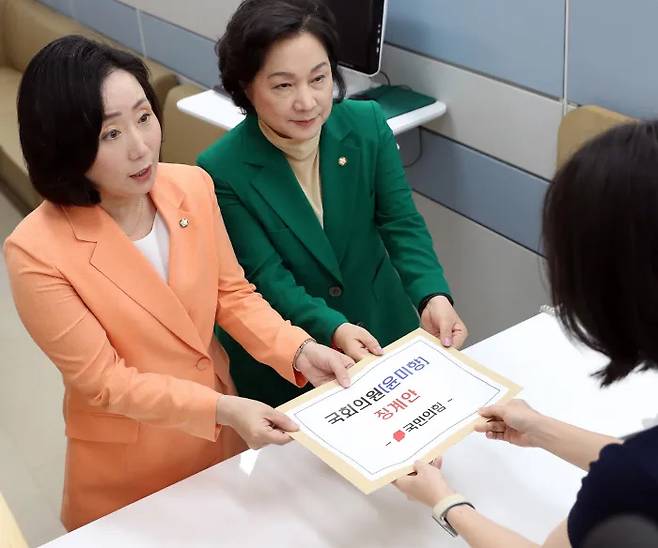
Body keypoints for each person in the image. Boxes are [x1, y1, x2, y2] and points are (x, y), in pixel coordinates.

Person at [4, 35, 354, 531]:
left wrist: (298, 350)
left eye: (144, 116)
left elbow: (232, 295)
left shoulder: (190, 185)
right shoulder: (35, 251)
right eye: (110, 134)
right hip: (129, 468)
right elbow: (105, 382)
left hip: (218, 444)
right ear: (63, 142)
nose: (141, 145)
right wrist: (222, 407)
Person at [395, 120, 658, 547]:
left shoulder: (625, 487)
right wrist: (541, 429)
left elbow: (636, 479)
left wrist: (445, 503)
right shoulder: (635, 472)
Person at [198, 0, 468, 407]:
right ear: (246, 87)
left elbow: (401, 223)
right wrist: (333, 328)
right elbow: (268, 279)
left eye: (319, 78)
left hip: (381, 329)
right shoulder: (221, 169)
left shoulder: (367, 125)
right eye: (283, 85)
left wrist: (432, 295)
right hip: (295, 357)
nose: (307, 102)